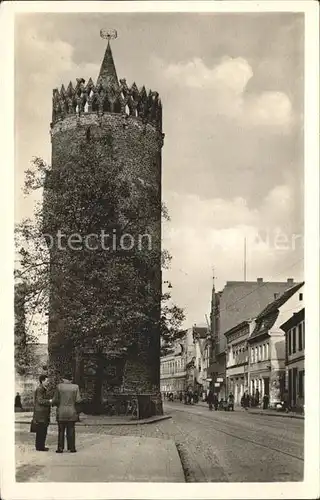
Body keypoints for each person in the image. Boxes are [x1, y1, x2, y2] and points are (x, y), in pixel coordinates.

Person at [52, 374, 81, 453]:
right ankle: (72, 448)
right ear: (71, 379)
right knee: (71, 429)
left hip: (61, 412)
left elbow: (55, 400)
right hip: (72, 411)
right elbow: (78, 400)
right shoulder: (76, 387)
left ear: (63, 379)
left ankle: (60, 448)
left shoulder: (59, 386)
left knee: (61, 431)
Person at [33, 374, 52, 451]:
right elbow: (40, 400)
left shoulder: (42, 388)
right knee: (42, 430)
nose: (48, 382)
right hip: (41, 414)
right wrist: (49, 401)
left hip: (41, 413)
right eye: (47, 381)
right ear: (43, 381)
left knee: (41, 430)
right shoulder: (40, 389)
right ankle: (40, 447)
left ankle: (39, 446)